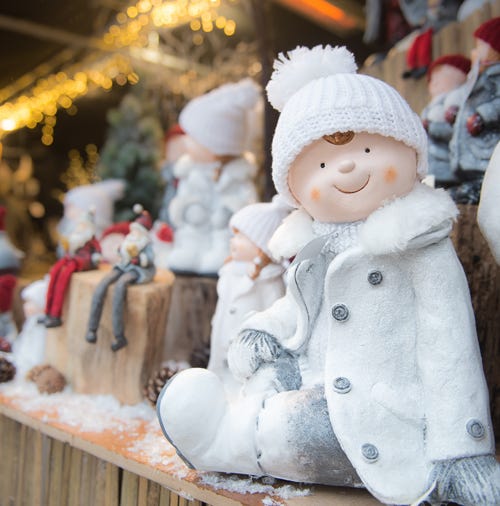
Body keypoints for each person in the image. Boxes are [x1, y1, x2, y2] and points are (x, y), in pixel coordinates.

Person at [158, 45, 499, 506]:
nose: (348, 166)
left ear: (411, 154)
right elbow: (299, 308)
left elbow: (450, 349)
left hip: (381, 405)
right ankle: (228, 431)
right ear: (296, 189)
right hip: (313, 374)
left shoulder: (419, 247)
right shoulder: (315, 243)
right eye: (320, 164)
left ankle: (224, 444)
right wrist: (267, 330)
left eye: (368, 148)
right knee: (266, 383)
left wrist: (461, 448)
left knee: (295, 427)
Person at [208, 197, 291, 396]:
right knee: (220, 382)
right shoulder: (229, 272)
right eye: (233, 235)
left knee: (243, 385)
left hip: (250, 349)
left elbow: (276, 317)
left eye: (240, 236)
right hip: (222, 342)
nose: (232, 240)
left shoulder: (269, 279)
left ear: (261, 245)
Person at [85, 205, 155, 352]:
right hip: (122, 266)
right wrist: (121, 251)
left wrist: (138, 258)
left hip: (137, 270)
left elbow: (148, 259)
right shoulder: (128, 241)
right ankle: (92, 329)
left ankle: (119, 336)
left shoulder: (145, 244)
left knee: (120, 287)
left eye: (137, 231)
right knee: (103, 284)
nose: (134, 233)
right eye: (133, 230)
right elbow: (121, 252)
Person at [448, 17, 500, 203]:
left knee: (487, 178)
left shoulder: (496, 78)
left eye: (480, 47)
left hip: (487, 149)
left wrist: (484, 114)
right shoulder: (479, 77)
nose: (474, 52)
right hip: (474, 148)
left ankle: (478, 191)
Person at [41, 210, 101, 328]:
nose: (79, 228)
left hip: (81, 262)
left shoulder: (90, 240)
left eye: (82, 226)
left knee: (63, 278)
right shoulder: (76, 238)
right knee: (55, 271)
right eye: (79, 225)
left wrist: (96, 258)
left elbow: (97, 253)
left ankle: (55, 314)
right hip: (71, 258)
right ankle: (48, 311)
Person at [421, 54, 471, 186]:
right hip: (429, 165)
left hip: (446, 164)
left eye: (440, 78)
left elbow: (458, 131)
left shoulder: (455, 101)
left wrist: (432, 127)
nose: (434, 83)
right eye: (432, 79)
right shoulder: (430, 107)